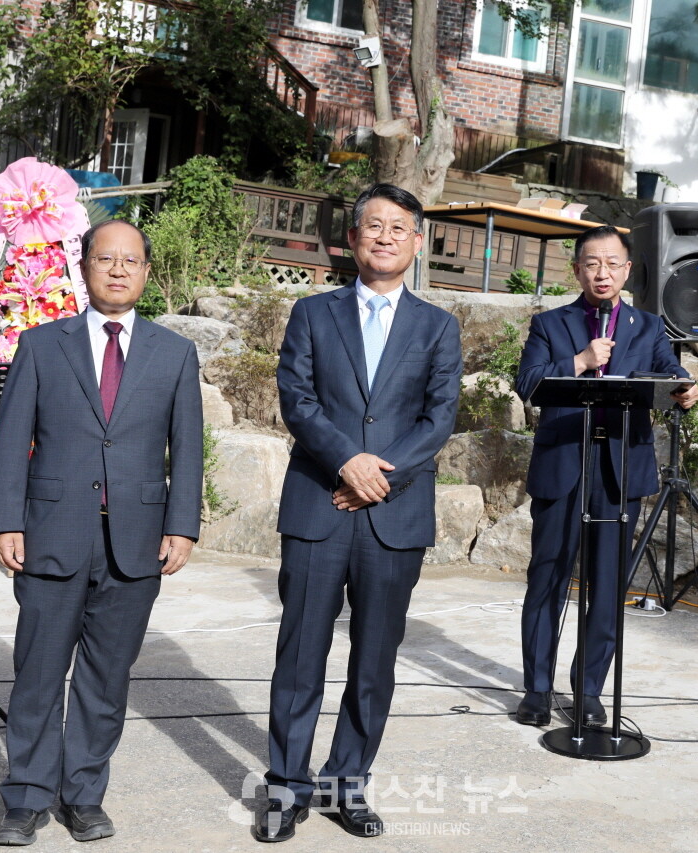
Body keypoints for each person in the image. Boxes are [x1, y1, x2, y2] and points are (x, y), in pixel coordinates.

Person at [255, 184, 462, 842]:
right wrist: (348, 462)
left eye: (397, 228)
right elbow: (297, 397)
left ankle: (348, 781)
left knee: (375, 659)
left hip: (393, 518)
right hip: (319, 504)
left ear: (417, 242)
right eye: (372, 225)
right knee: (300, 654)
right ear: (352, 239)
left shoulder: (438, 326)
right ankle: (286, 787)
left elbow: (439, 418)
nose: (383, 237)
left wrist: (377, 478)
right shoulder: (313, 313)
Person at [0, 219, 203, 846]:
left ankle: (83, 795)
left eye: (130, 261)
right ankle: (25, 798)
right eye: (105, 259)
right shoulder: (41, 344)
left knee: (106, 681)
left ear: (146, 272)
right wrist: (6, 520)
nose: (117, 270)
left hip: (136, 542)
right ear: (83, 268)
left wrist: (182, 527)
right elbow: (10, 445)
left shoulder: (174, 352)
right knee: (37, 673)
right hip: (51, 533)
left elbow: (186, 449)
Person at [513, 225, 698, 729]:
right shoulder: (551, 323)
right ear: (577, 269)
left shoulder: (647, 326)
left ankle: (590, 690)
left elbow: (668, 372)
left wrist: (686, 388)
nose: (603, 273)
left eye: (612, 264)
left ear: (627, 270)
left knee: (608, 587)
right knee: (546, 579)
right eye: (592, 263)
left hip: (618, 472)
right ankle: (536, 690)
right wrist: (580, 360)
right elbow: (528, 383)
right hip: (563, 468)